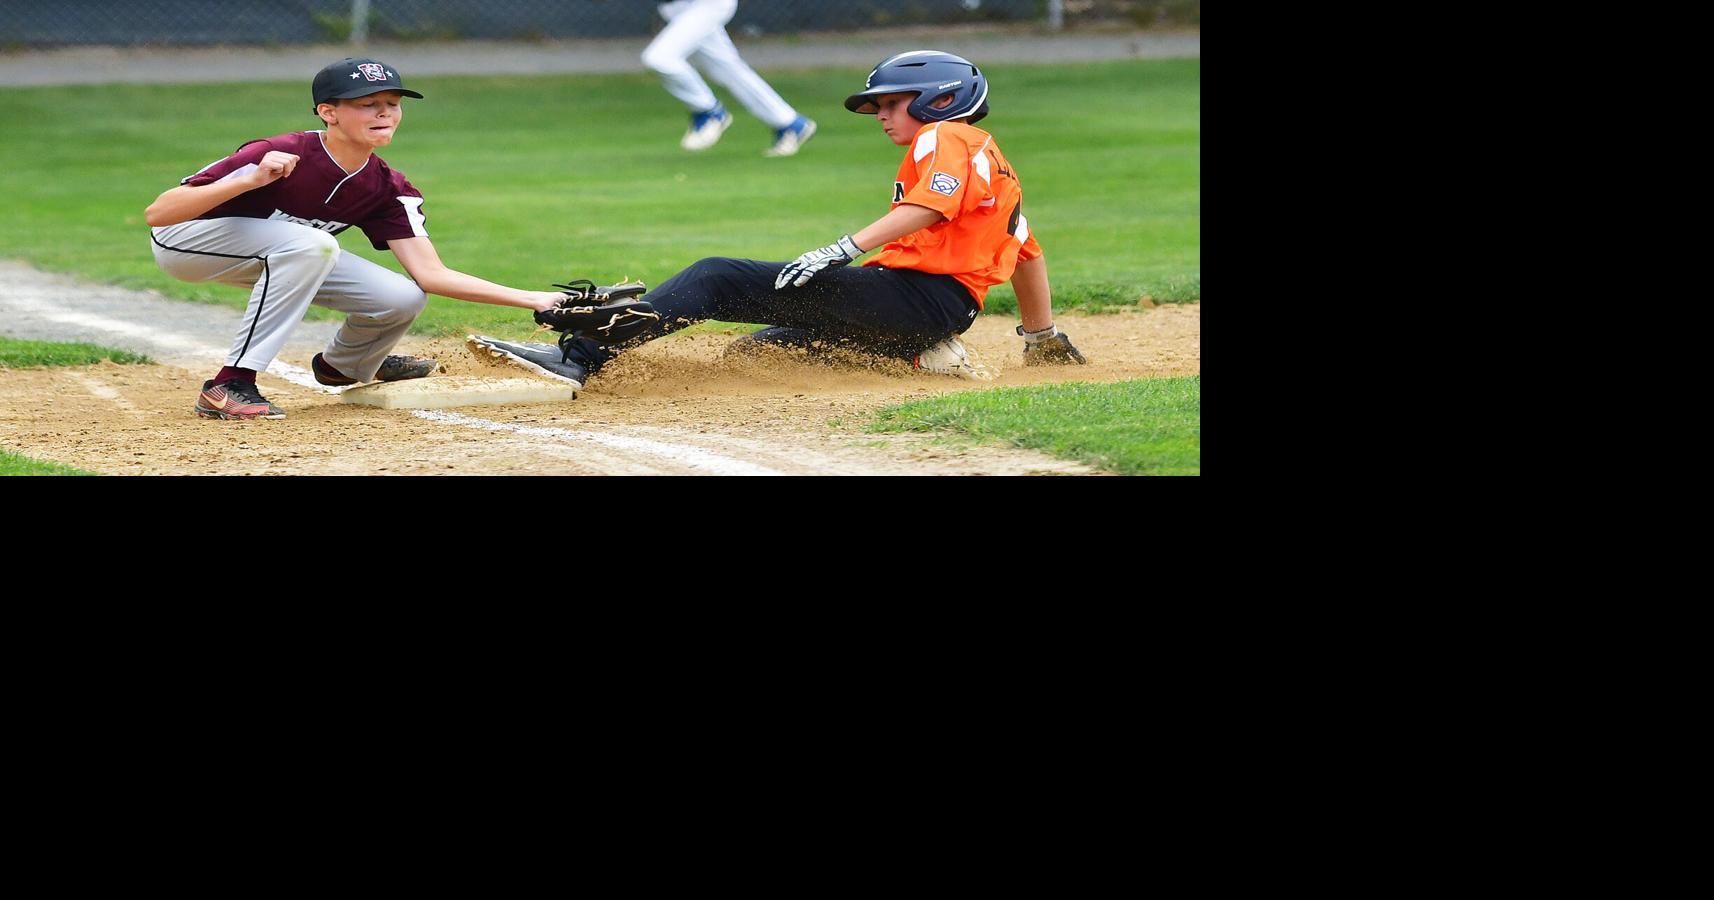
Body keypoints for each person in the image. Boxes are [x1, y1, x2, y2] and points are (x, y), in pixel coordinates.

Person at [469, 50, 1087, 390]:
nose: (879, 114)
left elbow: (926, 207)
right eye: (875, 106)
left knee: (717, 277)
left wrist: (840, 247)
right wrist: (1040, 336)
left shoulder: (948, 138)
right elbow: (1027, 251)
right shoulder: (996, 172)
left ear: (942, 99)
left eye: (890, 103)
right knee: (761, 351)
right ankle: (916, 355)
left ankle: (578, 357)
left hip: (917, 297)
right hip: (927, 311)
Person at [144, 57, 571, 421]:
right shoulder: (279, 151)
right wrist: (250, 180)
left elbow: (432, 274)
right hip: (184, 243)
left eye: (392, 104)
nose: (384, 113)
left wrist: (533, 298)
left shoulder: (387, 187)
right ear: (328, 112)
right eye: (368, 104)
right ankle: (230, 384)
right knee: (313, 245)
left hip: (284, 255)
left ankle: (343, 366)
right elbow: (159, 213)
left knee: (401, 297)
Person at [644, 0, 817, 156]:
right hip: (677, 8)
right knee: (727, 69)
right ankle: (790, 124)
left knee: (659, 58)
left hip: (706, 5)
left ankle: (709, 112)